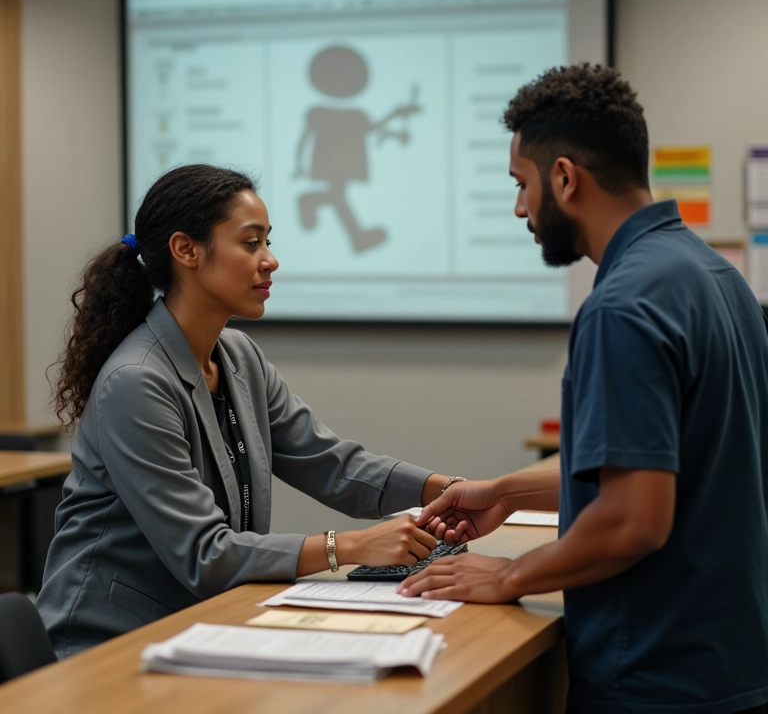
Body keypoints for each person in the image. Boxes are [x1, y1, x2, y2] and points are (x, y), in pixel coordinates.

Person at [398, 64, 768, 714]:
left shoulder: (623, 305)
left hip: (658, 679)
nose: (520, 208)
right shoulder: (717, 277)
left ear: (565, 178)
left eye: (522, 185)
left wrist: (508, 576)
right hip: (732, 663)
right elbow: (672, 462)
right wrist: (506, 491)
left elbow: (633, 521)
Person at [36, 164, 455, 658]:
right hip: (107, 644)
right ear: (185, 250)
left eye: (268, 242)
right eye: (251, 243)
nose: (270, 261)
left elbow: (331, 465)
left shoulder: (239, 357)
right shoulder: (136, 381)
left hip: (202, 623)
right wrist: (351, 547)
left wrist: (451, 491)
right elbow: (204, 553)